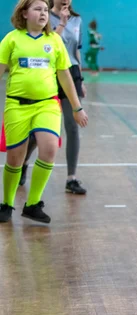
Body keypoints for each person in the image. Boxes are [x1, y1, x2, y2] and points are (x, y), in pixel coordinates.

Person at [0, 0, 88, 223]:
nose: (43, 14)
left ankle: (32, 204)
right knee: (14, 159)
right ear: (24, 13)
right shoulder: (11, 39)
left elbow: (65, 76)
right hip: (17, 106)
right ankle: (7, 203)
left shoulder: (54, 40)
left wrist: (77, 107)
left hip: (47, 104)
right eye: (37, 9)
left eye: (45, 11)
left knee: (49, 150)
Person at [21, 0, 88, 195]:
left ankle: (71, 178)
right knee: (41, 129)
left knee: (72, 126)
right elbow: (45, 46)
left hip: (71, 71)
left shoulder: (77, 20)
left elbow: (77, 50)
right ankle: (24, 162)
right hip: (48, 72)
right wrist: (61, 25)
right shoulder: (44, 15)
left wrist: (80, 79)